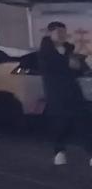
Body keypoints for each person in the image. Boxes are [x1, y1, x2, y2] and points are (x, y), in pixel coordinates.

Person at [37, 21, 92, 166]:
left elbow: (79, 68)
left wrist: (78, 65)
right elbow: (55, 67)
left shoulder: (69, 50)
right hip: (56, 95)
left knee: (84, 123)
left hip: (74, 93)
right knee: (59, 124)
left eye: (64, 32)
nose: (62, 35)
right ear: (49, 33)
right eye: (59, 32)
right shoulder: (45, 52)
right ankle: (59, 152)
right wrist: (69, 63)